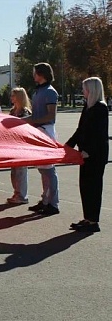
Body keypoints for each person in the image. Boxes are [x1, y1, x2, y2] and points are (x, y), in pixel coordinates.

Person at [66, 77, 109, 233]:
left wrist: (88, 151)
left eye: (84, 88)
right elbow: (80, 130)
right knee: (84, 186)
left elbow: (99, 135)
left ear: (91, 90)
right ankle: (87, 218)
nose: (82, 91)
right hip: (84, 154)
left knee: (93, 187)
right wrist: (68, 145)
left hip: (95, 155)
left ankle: (93, 222)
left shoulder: (100, 108)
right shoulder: (88, 106)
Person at [27, 62, 61, 216]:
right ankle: (45, 200)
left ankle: (53, 203)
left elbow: (50, 116)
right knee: (42, 169)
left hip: (46, 131)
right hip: (37, 131)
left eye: (35, 72)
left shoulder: (50, 92)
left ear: (41, 74)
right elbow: (35, 115)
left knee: (49, 170)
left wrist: (30, 121)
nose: (33, 75)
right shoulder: (37, 91)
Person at [7, 87, 32, 204]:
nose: (11, 98)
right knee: (13, 171)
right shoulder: (12, 111)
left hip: (22, 144)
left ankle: (22, 195)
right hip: (12, 144)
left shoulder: (25, 112)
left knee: (21, 171)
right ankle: (16, 193)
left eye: (13, 95)